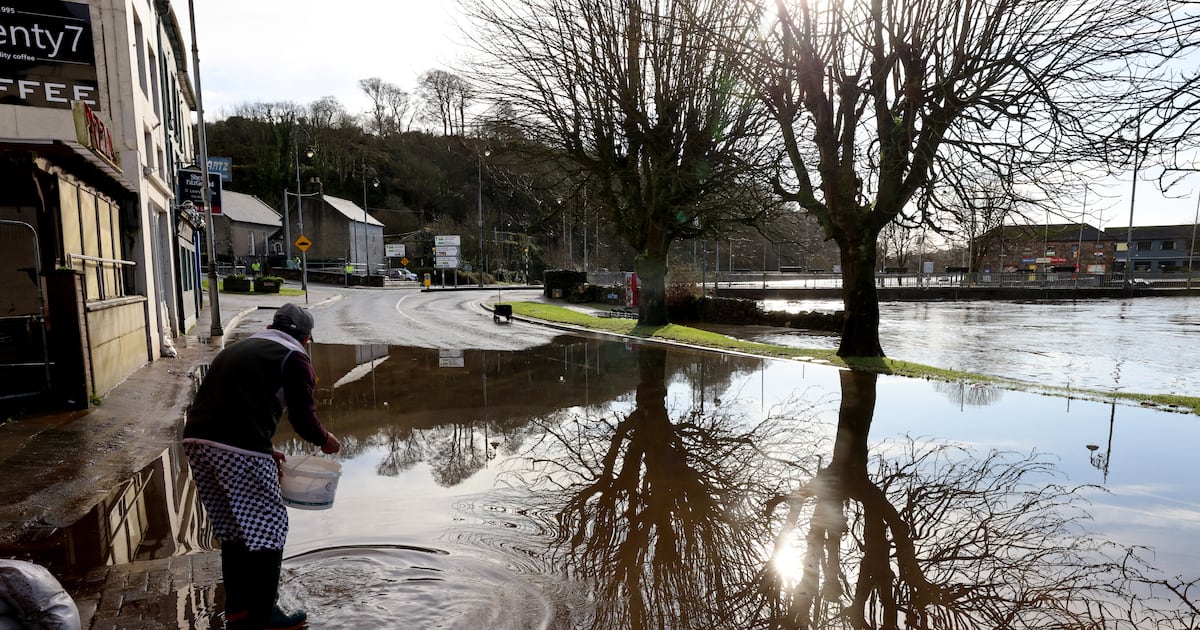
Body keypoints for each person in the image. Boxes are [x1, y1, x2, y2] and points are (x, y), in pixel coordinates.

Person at [182, 304, 340, 629]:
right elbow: (302, 417)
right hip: (237, 448)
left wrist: (265, 450)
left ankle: (238, 609)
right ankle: (266, 611)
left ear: (271, 325)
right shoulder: (295, 357)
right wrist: (325, 440)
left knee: (235, 529)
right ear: (307, 339)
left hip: (198, 442)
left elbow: (238, 404)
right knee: (270, 525)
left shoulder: (242, 346)